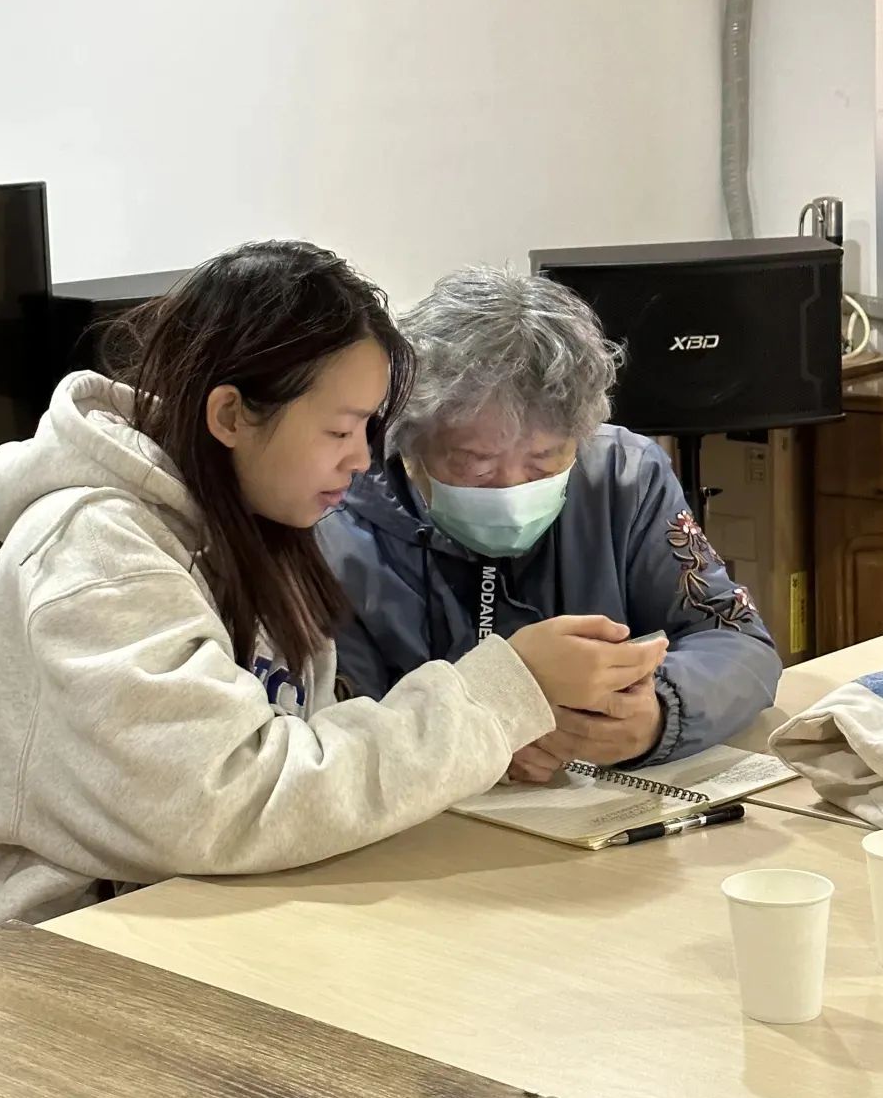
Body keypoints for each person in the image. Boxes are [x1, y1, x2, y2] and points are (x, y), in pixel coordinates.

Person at [0, 242, 664, 959]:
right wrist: (504, 692)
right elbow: (226, 801)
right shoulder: (98, 549)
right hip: (16, 961)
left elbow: (301, 752)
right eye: (341, 430)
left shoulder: (257, 524)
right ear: (230, 416)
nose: (363, 460)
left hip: (186, 924)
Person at [319, 265, 782, 781]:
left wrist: (658, 713)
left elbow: (738, 641)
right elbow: (334, 732)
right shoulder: (335, 521)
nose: (511, 489)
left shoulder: (625, 476)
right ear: (408, 439)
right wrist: (473, 733)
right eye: (475, 464)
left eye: (543, 462)